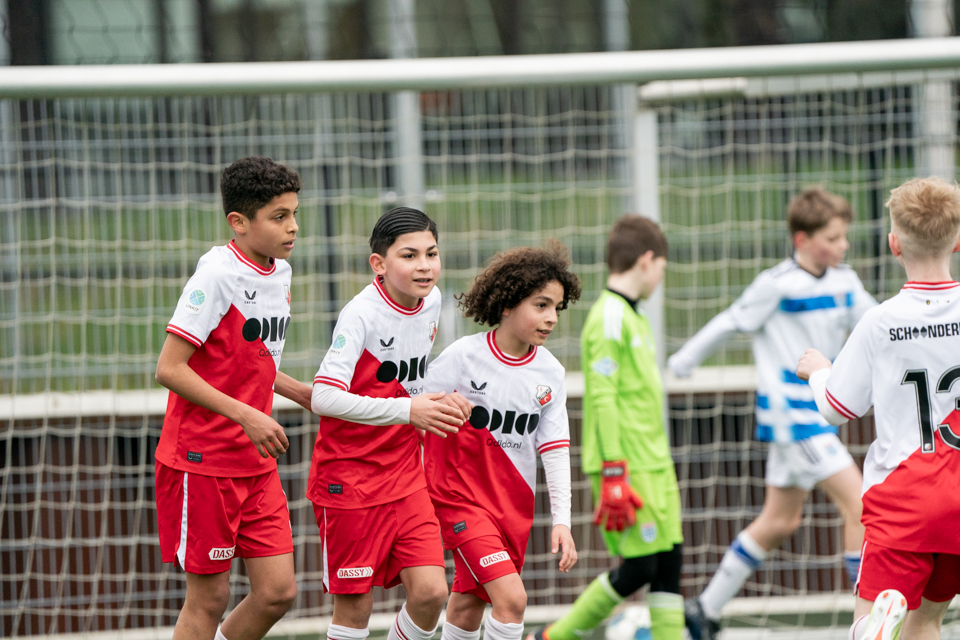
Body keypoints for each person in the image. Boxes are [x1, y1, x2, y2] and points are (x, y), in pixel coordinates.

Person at [668, 189, 876, 640]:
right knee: (862, 508)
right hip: (793, 417)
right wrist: (682, 363)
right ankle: (869, 622)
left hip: (820, 414)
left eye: (844, 237)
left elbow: (878, 323)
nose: (842, 246)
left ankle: (705, 610)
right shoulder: (776, 284)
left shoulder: (846, 281)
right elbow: (729, 321)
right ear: (802, 239)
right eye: (833, 238)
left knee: (781, 521)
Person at [154, 156, 313, 640]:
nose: (293, 227)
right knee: (209, 599)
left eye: (294, 213)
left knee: (277, 592)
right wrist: (248, 414)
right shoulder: (216, 276)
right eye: (279, 216)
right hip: (202, 460)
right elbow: (169, 368)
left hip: (254, 459)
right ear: (239, 223)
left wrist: (298, 391)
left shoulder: (278, 273)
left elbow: (248, 359)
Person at [797, 177, 960, 640]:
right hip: (958, 500)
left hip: (903, 501)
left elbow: (834, 409)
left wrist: (819, 370)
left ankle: (870, 631)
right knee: (927, 621)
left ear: (893, 244)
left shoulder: (881, 322)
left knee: (870, 625)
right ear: (959, 240)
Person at [307, 207, 468, 640]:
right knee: (355, 611)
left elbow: (404, 382)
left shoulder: (431, 301)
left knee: (432, 592)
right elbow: (324, 396)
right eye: (410, 256)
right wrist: (409, 411)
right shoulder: (360, 315)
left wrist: (429, 400)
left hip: (404, 474)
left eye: (432, 254)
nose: (424, 266)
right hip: (349, 479)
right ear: (378, 264)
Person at [531, 215, 685, 640]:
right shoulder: (609, 317)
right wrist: (615, 471)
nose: (660, 278)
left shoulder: (633, 318)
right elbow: (602, 397)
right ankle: (554, 636)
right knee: (641, 567)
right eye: (662, 269)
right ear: (648, 261)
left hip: (655, 465)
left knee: (670, 560)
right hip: (628, 467)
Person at [423, 242, 581, 640]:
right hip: (459, 500)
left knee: (467, 604)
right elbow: (412, 411)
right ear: (507, 304)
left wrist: (561, 519)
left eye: (556, 309)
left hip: (512, 509)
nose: (551, 319)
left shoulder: (551, 373)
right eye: (541, 305)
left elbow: (556, 450)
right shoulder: (463, 357)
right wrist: (439, 404)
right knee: (512, 600)